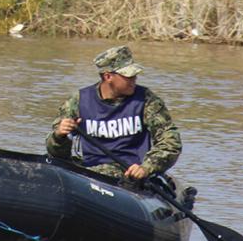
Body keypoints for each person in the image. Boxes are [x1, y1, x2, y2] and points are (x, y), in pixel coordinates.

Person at [45, 45, 182, 181]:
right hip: (89, 171)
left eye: (135, 75)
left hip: (129, 173)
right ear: (108, 76)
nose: (134, 80)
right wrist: (59, 136)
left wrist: (147, 167)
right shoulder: (78, 101)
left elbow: (170, 142)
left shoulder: (147, 101)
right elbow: (56, 153)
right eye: (128, 76)